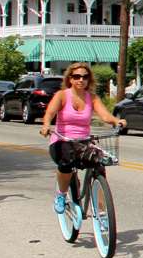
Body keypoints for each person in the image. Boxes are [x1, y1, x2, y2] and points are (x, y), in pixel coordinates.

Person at [39, 63, 126, 214]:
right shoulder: (62, 95)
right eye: (77, 76)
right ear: (70, 79)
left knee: (99, 164)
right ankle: (61, 195)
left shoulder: (91, 97)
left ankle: (101, 211)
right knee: (66, 163)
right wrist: (46, 125)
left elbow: (105, 115)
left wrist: (116, 121)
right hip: (62, 140)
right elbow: (50, 113)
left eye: (85, 77)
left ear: (89, 80)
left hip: (83, 142)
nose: (81, 80)